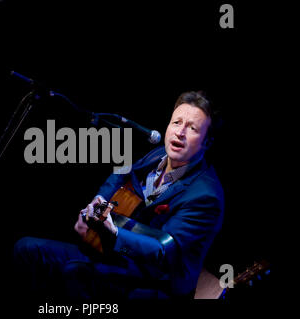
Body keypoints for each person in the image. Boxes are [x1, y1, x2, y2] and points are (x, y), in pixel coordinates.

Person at [13, 91, 224, 300]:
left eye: (192, 128)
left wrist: (114, 235)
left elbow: (163, 253)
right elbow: (121, 172)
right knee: (28, 249)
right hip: (119, 258)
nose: (180, 132)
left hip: (156, 281)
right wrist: (97, 204)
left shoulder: (205, 197)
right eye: (176, 122)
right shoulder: (158, 154)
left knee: (76, 274)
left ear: (207, 142)